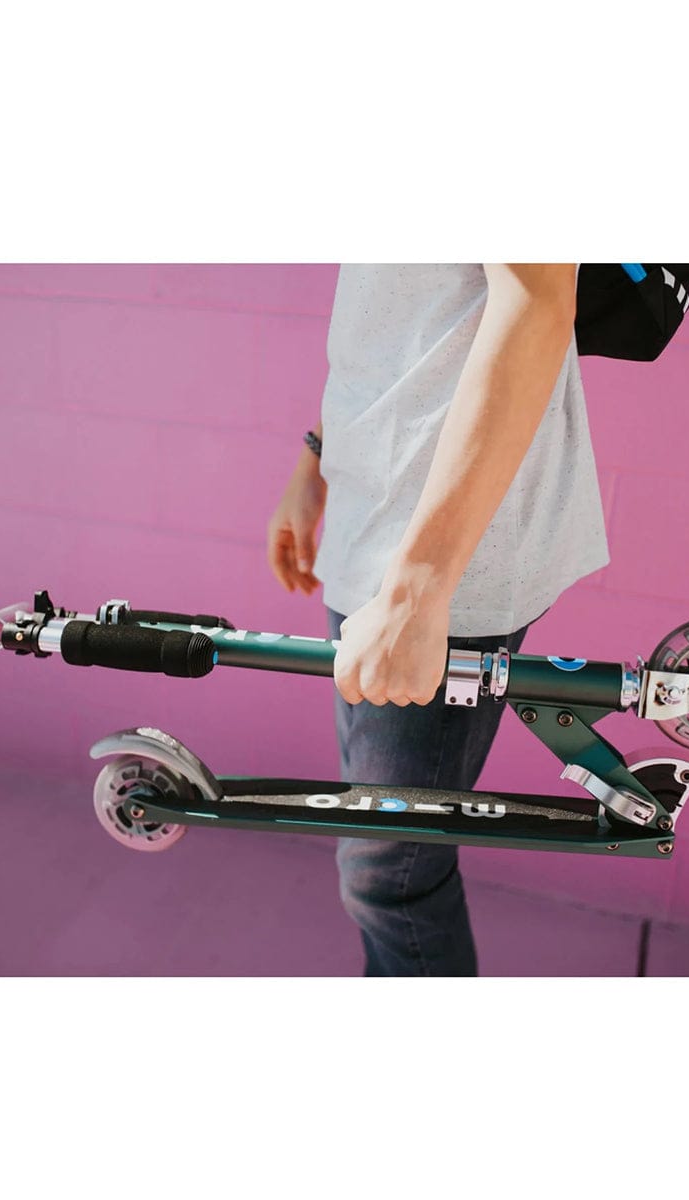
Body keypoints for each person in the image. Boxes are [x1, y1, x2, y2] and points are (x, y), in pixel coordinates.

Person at [266, 264, 609, 976]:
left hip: (444, 562)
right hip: (375, 529)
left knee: (390, 876)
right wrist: (318, 460)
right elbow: (398, 314)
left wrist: (418, 591)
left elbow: (536, 305)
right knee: (381, 853)